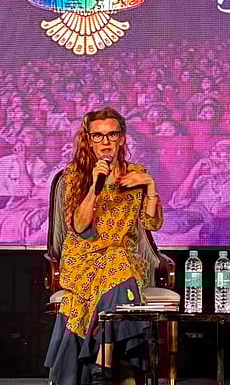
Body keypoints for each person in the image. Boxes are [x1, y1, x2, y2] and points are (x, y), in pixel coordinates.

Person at [45, 107, 163, 385]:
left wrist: (150, 186)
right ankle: (103, 362)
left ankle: (103, 364)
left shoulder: (136, 175)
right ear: (89, 140)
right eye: (97, 136)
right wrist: (94, 188)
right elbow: (79, 226)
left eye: (111, 134)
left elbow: (152, 223)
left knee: (118, 262)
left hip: (122, 258)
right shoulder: (75, 176)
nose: (105, 142)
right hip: (83, 259)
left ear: (122, 138)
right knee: (117, 268)